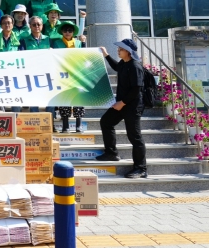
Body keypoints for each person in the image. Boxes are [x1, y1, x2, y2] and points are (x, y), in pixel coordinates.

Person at [97, 39, 147, 179]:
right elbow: (116, 67)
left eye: (121, 49)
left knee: (135, 137)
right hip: (122, 104)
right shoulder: (124, 63)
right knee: (106, 122)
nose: (118, 50)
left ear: (129, 52)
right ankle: (111, 153)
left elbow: (136, 89)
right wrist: (106, 55)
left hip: (132, 106)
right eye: (119, 48)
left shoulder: (135, 66)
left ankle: (141, 168)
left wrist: (122, 103)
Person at [52, 20, 85, 133]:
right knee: (64, 99)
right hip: (63, 74)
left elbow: (84, 55)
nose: (67, 32)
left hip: (77, 73)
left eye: (70, 30)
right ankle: (65, 125)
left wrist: (84, 43)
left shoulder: (79, 43)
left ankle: (78, 125)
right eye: (65, 30)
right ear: (62, 31)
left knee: (78, 99)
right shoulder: (57, 43)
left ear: (73, 32)